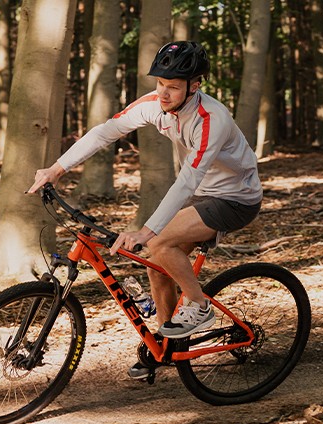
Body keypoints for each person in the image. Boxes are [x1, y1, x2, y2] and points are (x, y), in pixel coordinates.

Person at [27, 41, 263, 379]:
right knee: (157, 265)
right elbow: (104, 133)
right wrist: (56, 169)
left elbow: (187, 182)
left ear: (194, 86)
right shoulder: (154, 105)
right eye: (160, 84)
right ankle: (167, 347)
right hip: (204, 195)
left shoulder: (213, 119)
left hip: (235, 198)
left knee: (159, 243)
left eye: (174, 87)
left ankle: (199, 305)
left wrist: (146, 232)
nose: (164, 94)